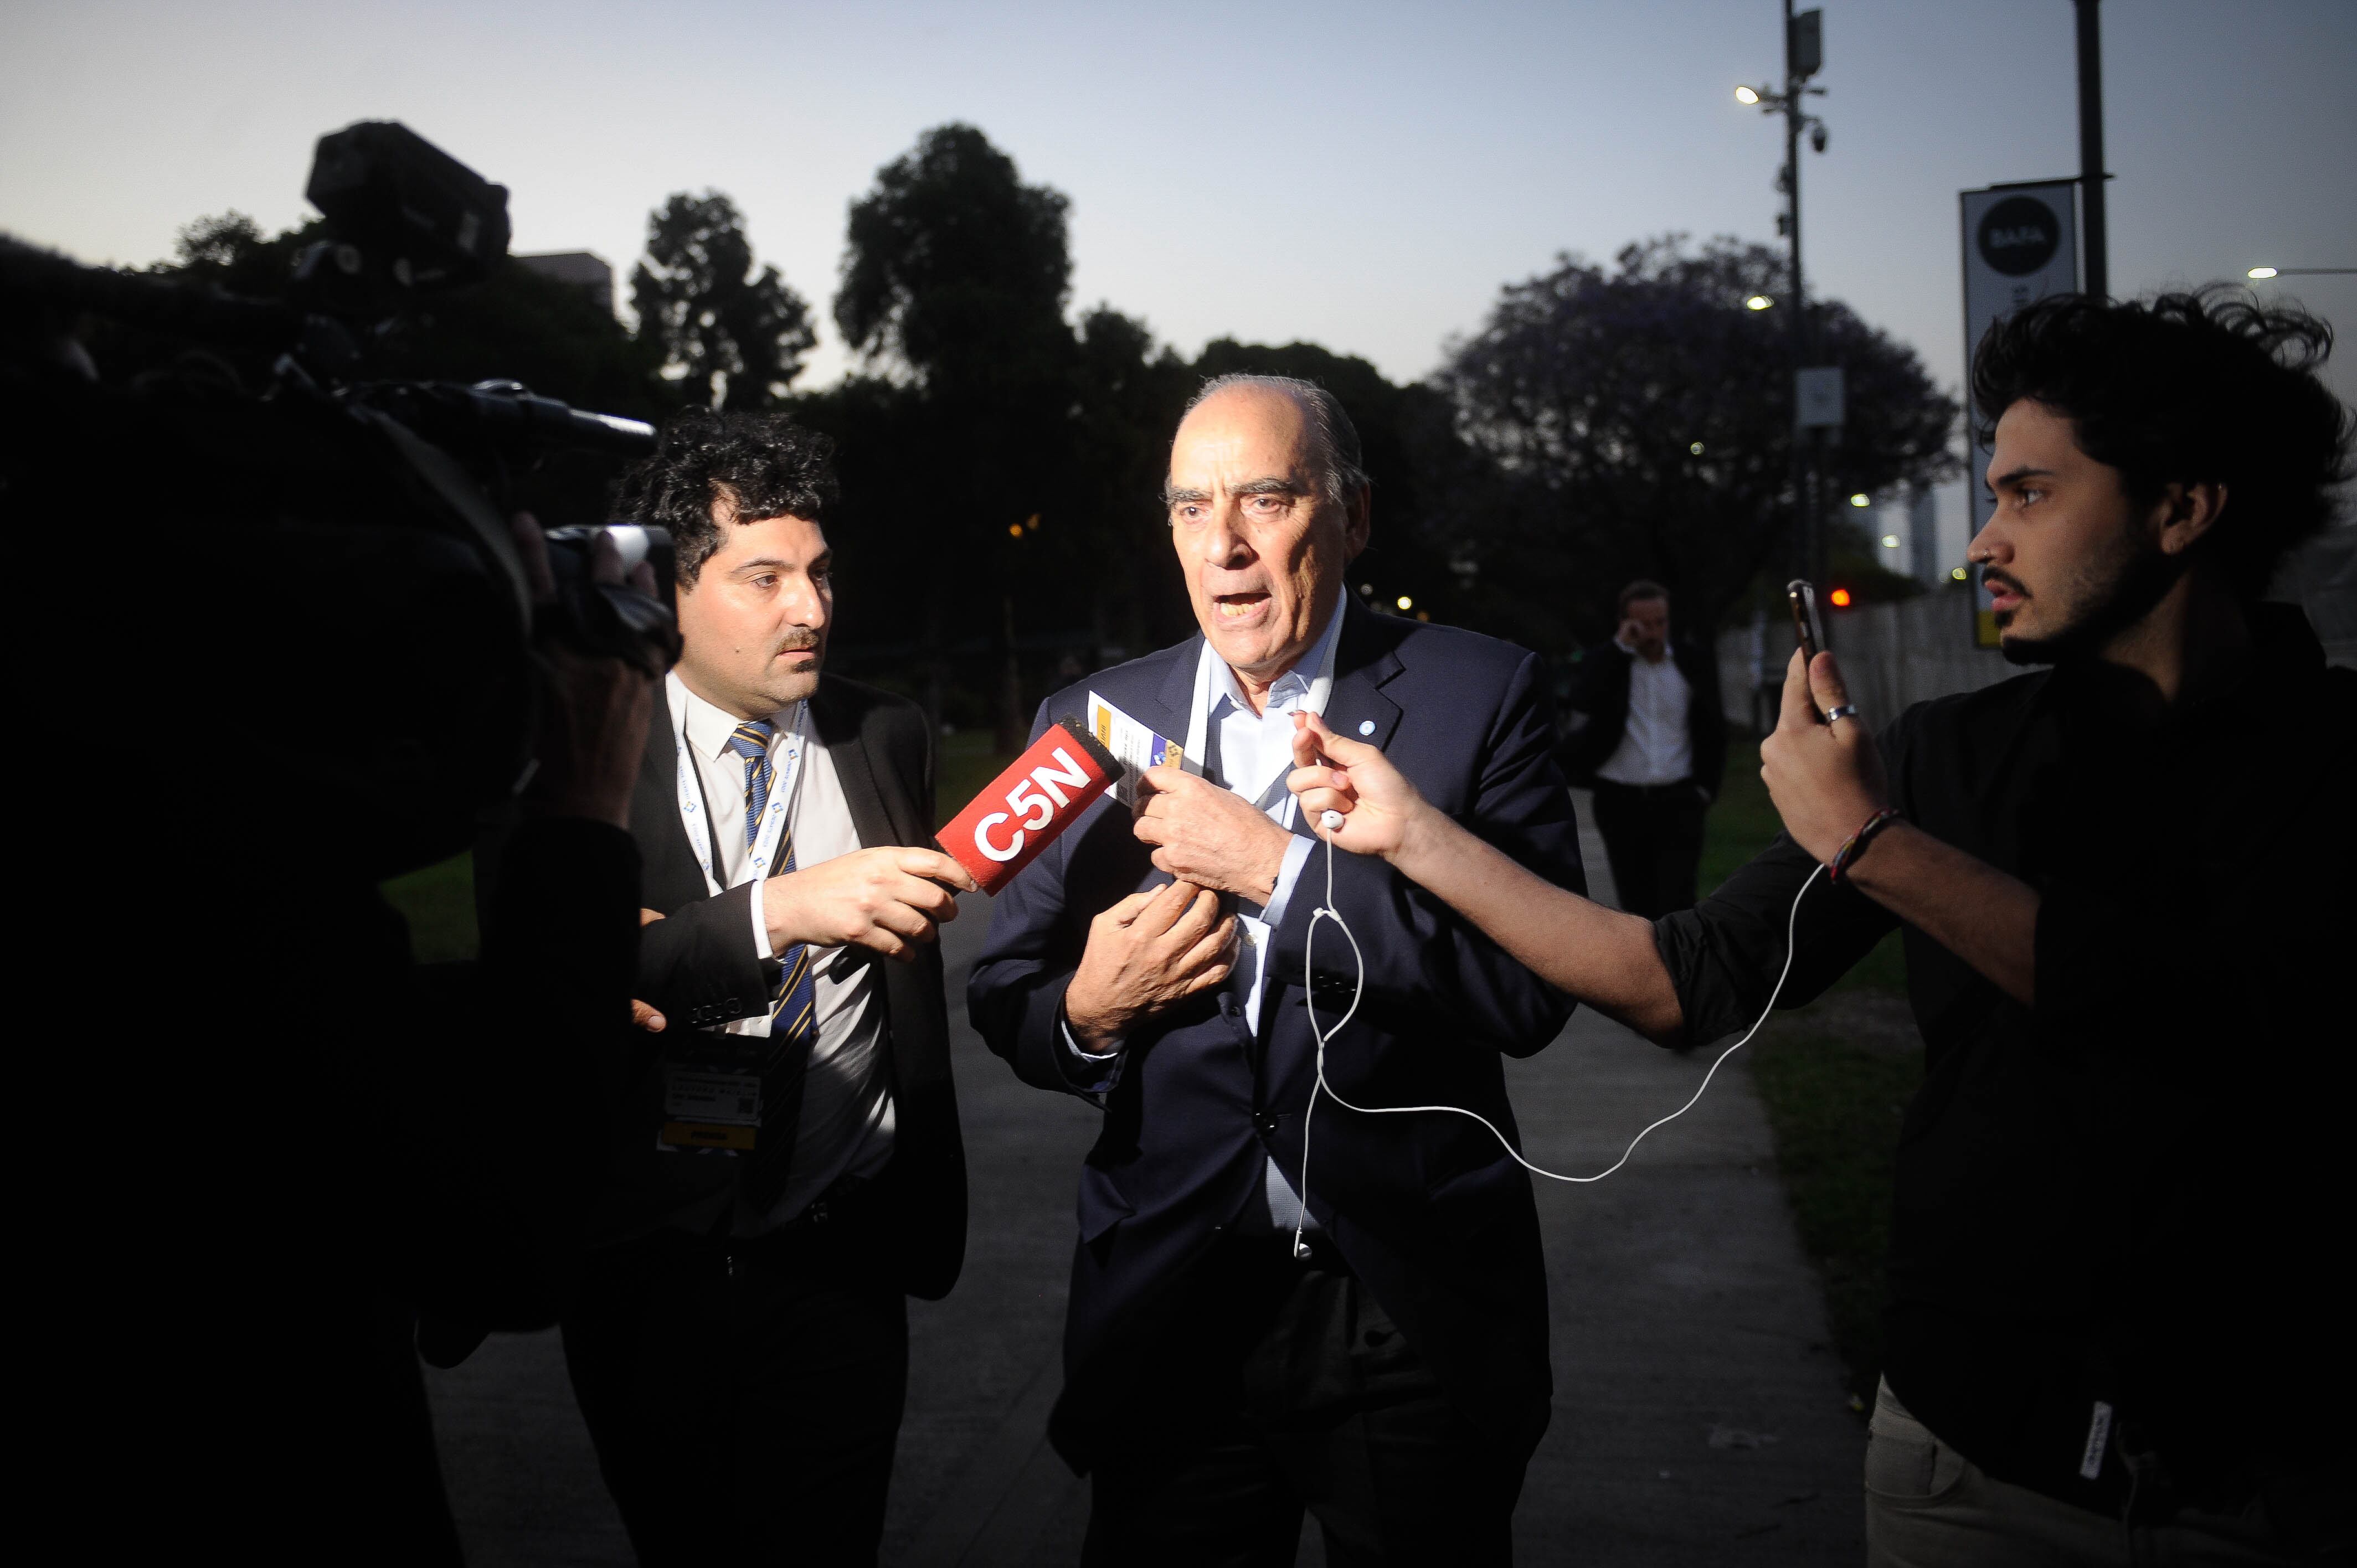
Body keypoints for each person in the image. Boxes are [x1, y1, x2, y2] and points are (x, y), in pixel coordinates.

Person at [1288, 291, 2355, 1564]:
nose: (1982, 539)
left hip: (2276, 1472)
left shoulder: (2333, 765)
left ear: (2181, 508)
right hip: (1972, 1466)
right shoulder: (1954, 756)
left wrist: (1873, 846)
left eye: (2029, 494)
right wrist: (1410, 829)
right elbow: (1680, 980)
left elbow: (2224, 1024)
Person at [969, 374, 1584, 1564]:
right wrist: (1088, 1017)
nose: (1227, 547)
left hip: (1403, 1307)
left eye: (1265, 499)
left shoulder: (1478, 695)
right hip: (1169, 1309)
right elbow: (1007, 997)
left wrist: (1277, 873)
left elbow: (1528, 992)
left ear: (1352, 517)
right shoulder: (1086, 721)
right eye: (1192, 509)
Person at [519, 410, 980, 1564]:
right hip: (647, 1271)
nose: (812, 609)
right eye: (765, 576)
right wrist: (775, 912)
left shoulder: (887, 734)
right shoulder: (585, 744)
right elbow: (548, 986)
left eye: (821, 574)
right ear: (675, 592)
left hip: (842, 1263)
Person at [1557, 579, 1727, 919]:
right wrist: (1620, 647)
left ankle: (1679, 971)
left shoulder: (1692, 662)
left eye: (1660, 622)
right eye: (1643, 624)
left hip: (1679, 800)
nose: (1653, 632)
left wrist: (1706, 789)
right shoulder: (1609, 663)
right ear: (1626, 622)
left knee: (1678, 900)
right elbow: (1582, 699)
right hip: (1620, 800)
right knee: (1635, 902)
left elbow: (1714, 727)